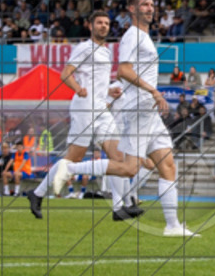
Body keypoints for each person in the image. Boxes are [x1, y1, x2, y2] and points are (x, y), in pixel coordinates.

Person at [30, 12, 139, 220]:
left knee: (118, 157)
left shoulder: (106, 53)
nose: (103, 26)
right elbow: (65, 74)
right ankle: (37, 194)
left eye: (107, 23)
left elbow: (97, 83)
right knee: (73, 159)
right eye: (99, 23)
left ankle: (118, 208)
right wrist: (77, 88)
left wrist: (109, 90)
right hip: (84, 108)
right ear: (91, 26)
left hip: (101, 108)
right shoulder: (83, 48)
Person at [111, 0, 197, 237]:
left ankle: (172, 226)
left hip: (148, 110)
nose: (150, 8)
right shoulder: (132, 36)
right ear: (132, 9)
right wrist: (154, 91)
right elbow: (123, 71)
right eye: (144, 4)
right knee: (128, 168)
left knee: (167, 164)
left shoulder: (145, 37)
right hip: (139, 108)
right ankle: (70, 170)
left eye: (151, 4)